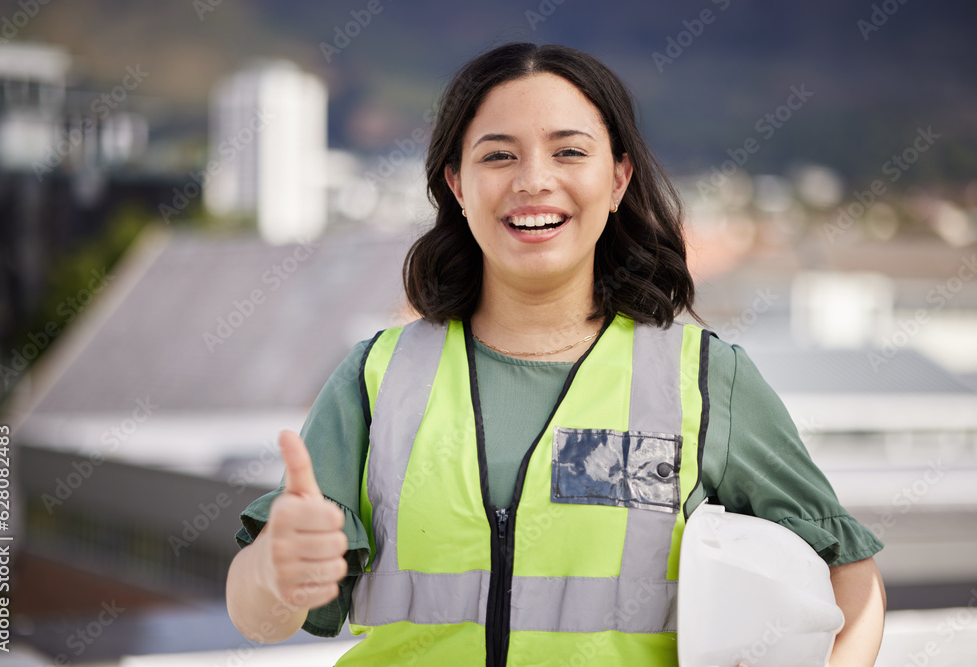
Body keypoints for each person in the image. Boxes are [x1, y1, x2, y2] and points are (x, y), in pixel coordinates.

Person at [225, 42, 886, 665]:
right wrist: (277, 570)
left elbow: (850, 579)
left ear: (619, 177)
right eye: (498, 155)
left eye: (569, 151)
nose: (534, 181)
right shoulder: (377, 376)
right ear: (456, 184)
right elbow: (260, 619)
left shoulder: (706, 379)